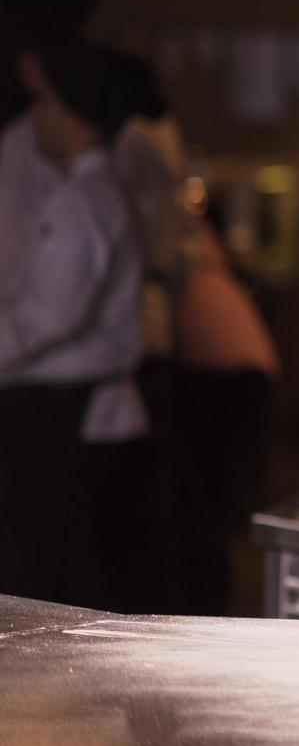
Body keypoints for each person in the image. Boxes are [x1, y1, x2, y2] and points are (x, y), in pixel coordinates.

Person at [0, 43, 154, 608]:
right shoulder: (88, 190)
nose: (33, 119)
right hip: (66, 412)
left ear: (69, 116)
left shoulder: (83, 198)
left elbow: (49, 315)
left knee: (50, 582)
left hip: (68, 415)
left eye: (42, 105)